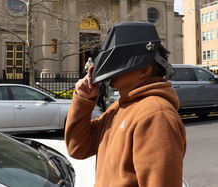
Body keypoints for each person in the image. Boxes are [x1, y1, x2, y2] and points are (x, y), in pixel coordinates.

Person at [65, 21, 186, 187]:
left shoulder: (156, 115)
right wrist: (83, 100)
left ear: (144, 70)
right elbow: (78, 147)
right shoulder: (120, 108)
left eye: (120, 63)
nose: (112, 72)